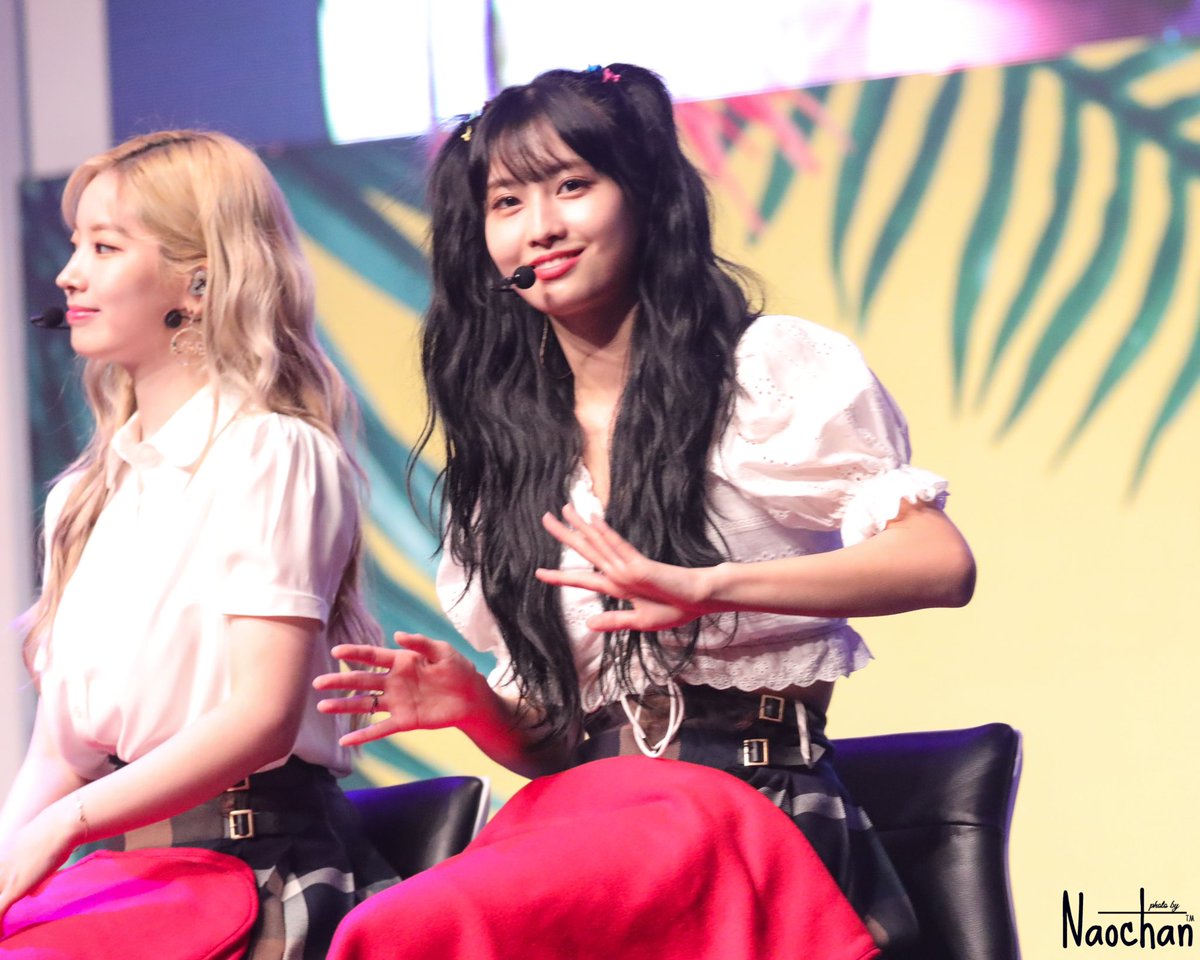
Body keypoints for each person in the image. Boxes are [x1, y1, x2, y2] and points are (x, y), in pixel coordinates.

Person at [316, 63, 976, 959]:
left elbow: (940, 565)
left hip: (741, 816)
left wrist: (709, 587)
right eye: (506, 203)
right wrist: (477, 707)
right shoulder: (510, 457)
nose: (540, 226)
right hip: (588, 820)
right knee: (407, 927)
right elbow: (555, 747)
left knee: (415, 927)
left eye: (571, 186)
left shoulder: (761, 370)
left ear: (645, 195)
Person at [0, 130, 397, 958]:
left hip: (255, 868)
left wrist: (66, 826)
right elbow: (57, 759)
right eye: (74, 245)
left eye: (105, 246)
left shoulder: (272, 453)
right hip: (128, 881)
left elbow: (259, 717)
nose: (69, 273)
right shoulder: (85, 496)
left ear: (201, 278)